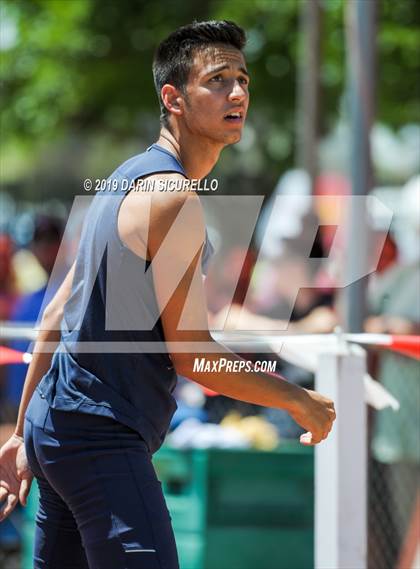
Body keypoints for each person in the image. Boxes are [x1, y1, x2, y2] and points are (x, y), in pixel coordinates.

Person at [0, 21, 335, 569]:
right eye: (218, 79)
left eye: (243, 79)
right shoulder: (172, 196)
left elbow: (58, 311)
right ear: (172, 98)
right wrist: (297, 399)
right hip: (96, 436)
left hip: (58, 427)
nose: (238, 92)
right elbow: (194, 355)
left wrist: (21, 435)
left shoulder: (124, 178)